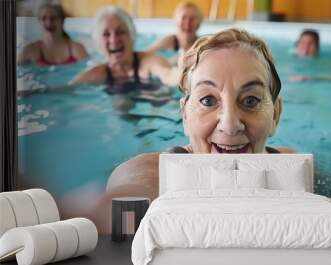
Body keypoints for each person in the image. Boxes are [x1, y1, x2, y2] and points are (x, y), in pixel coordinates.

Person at [58, 28, 294, 233]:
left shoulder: (293, 167)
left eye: (251, 100)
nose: (230, 125)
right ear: (185, 115)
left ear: (275, 115)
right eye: (208, 101)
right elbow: (117, 208)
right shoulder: (152, 172)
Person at [71, 5, 179, 88]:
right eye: (106, 34)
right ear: (99, 42)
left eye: (120, 32)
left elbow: (168, 75)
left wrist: (185, 74)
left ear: (131, 35)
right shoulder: (95, 73)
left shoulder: (149, 62)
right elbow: (65, 90)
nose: (114, 40)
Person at [17, 4, 88, 66]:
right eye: (44, 18)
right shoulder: (31, 50)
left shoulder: (76, 48)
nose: (49, 22)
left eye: (53, 18)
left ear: (62, 21)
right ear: (39, 22)